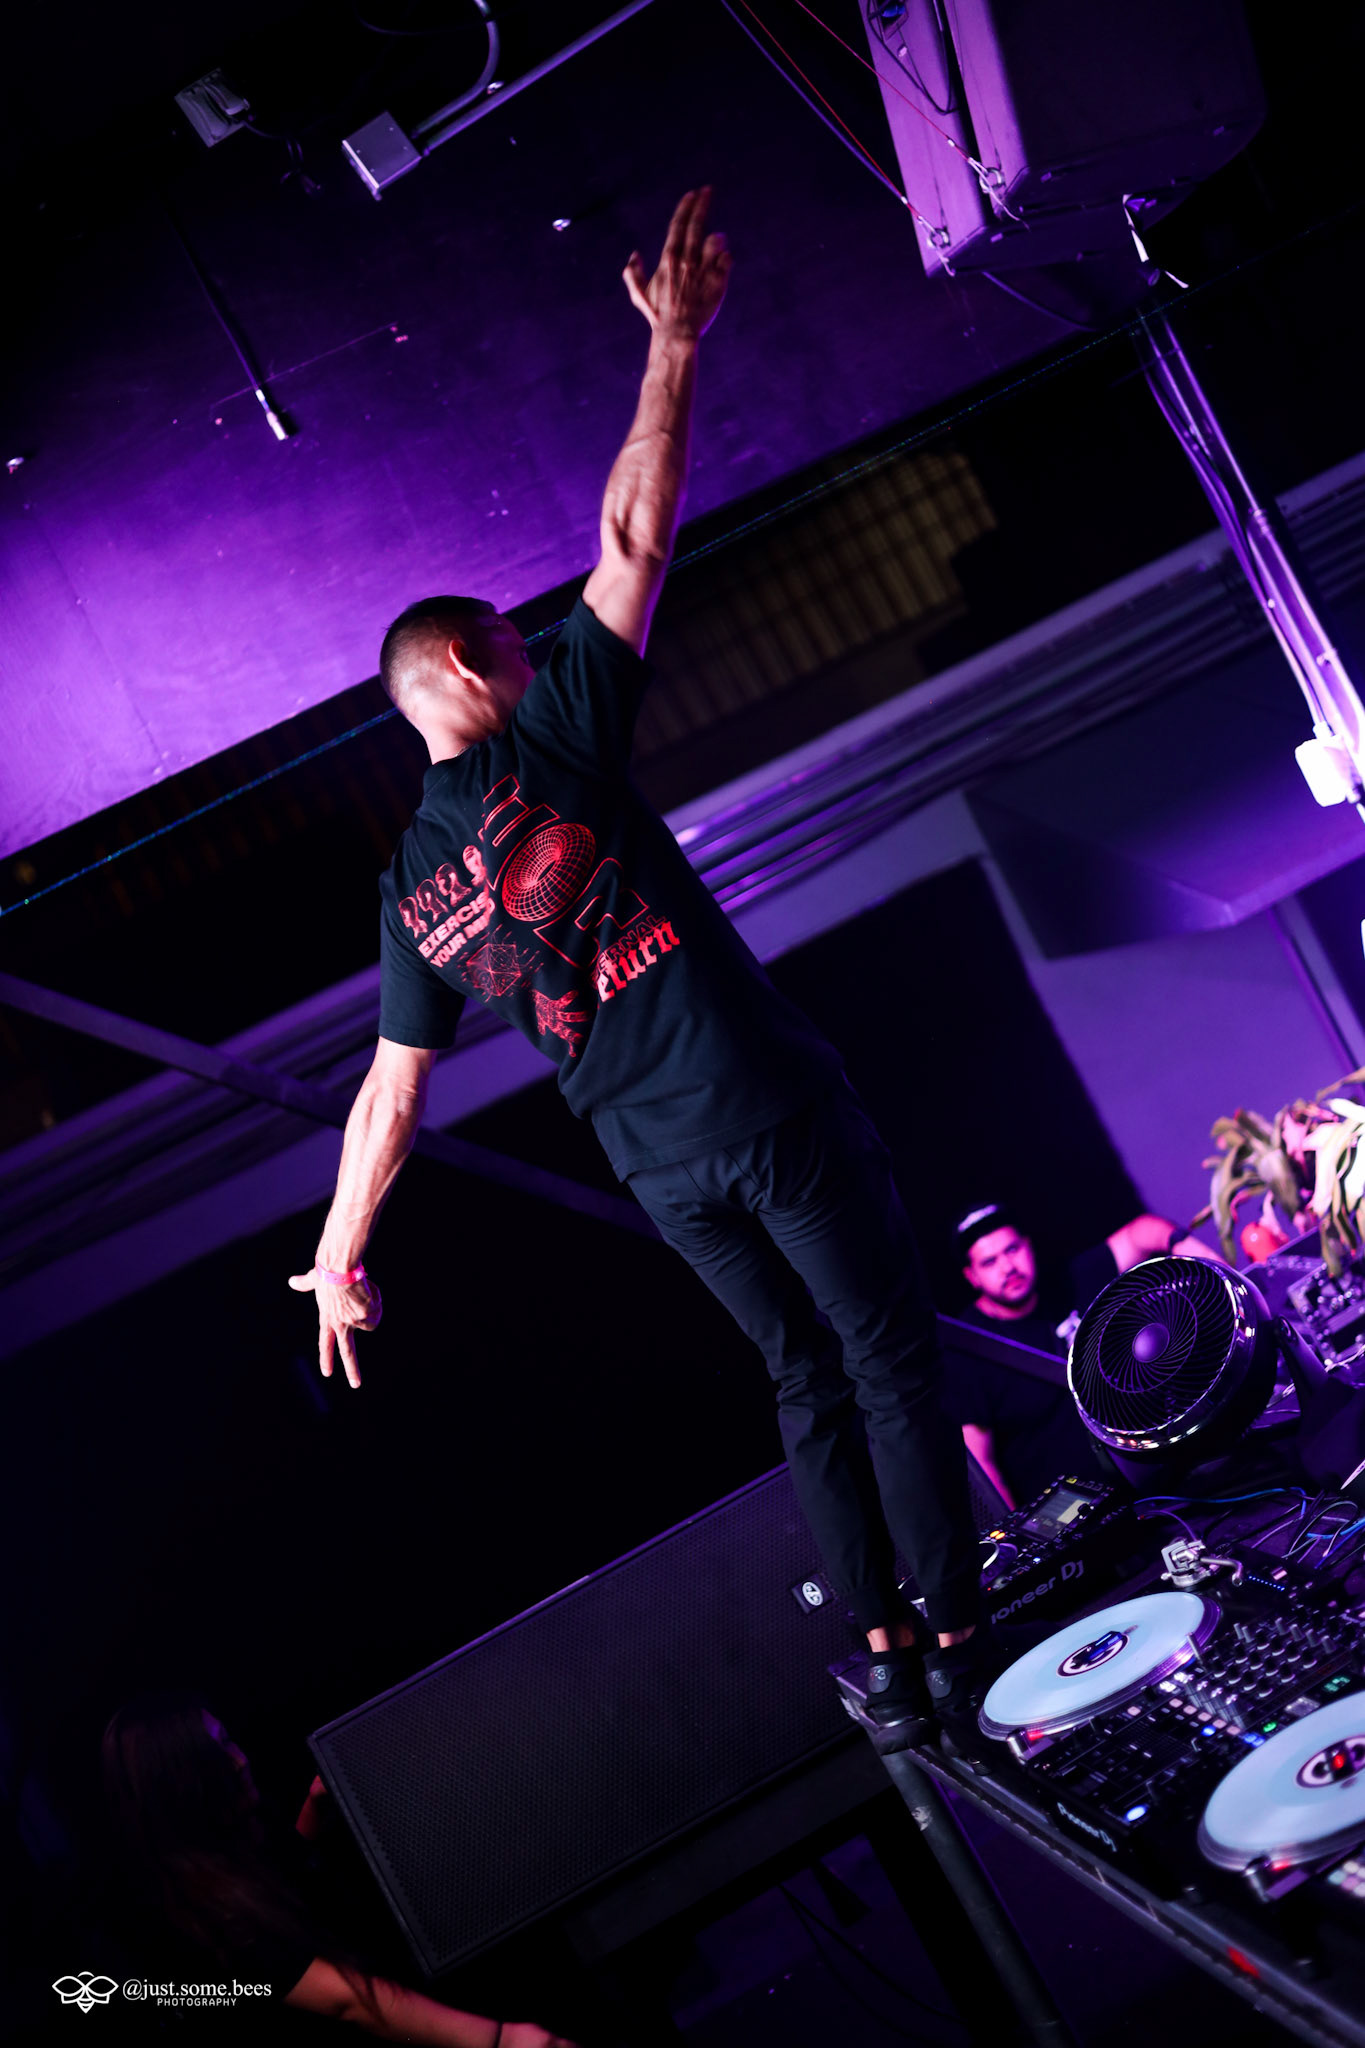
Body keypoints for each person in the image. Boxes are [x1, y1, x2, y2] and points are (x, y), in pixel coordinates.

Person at [287, 189, 987, 1737]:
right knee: (884, 1356)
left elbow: (387, 1099)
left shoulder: (409, 891)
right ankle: (958, 1626)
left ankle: (886, 1655)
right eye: (516, 640)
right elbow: (632, 537)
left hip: (664, 1174)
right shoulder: (551, 744)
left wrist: (340, 1253)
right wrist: (672, 344)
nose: (540, 650)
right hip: (762, 1105)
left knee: (801, 1383)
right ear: (467, 667)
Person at [101, 1692, 577, 2045]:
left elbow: (285, 1889)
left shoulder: (225, 1862)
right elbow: (343, 2000)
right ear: (184, 1783)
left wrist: (314, 1810)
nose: (240, 1760)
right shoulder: (210, 1916)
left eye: (230, 1741)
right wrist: (500, 2039)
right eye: (218, 1754)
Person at [945, 1200, 1219, 1508]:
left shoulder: (1068, 1283)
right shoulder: (969, 1349)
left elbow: (1140, 1233)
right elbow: (983, 1465)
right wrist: (1017, 1532)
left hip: (1158, 1488)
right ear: (972, 1276)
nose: (1008, 1267)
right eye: (989, 1262)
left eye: (1012, 1249)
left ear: (1028, 1245)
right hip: (1075, 1519)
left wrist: (1185, 1245)